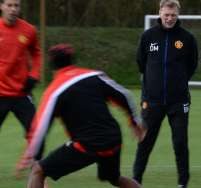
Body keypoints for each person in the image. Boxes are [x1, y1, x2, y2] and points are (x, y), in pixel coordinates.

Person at [17, 44, 146, 188]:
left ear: (51, 65)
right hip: (113, 139)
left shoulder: (54, 91)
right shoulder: (94, 76)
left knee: (38, 171)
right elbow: (124, 95)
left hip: (87, 145)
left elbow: (40, 128)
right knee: (114, 178)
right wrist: (135, 122)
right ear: (73, 59)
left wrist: (29, 155)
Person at [132, 0, 198, 187]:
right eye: (166, 14)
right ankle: (136, 180)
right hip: (152, 101)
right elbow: (141, 63)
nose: (170, 18)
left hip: (178, 101)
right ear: (160, 12)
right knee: (145, 142)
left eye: (173, 15)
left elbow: (192, 65)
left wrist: (177, 82)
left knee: (180, 143)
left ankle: (182, 183)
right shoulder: (148, 36)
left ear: (178, 15)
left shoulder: (187, 38)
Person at [0, 0, 44, 167]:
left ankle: (39, 173)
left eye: (16, 5)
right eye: (9, 5)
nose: (13, 9)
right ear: (1, 6)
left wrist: (34, 75)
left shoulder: (29, 30)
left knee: (36, 132)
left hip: (22, 93)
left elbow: (37, 54)